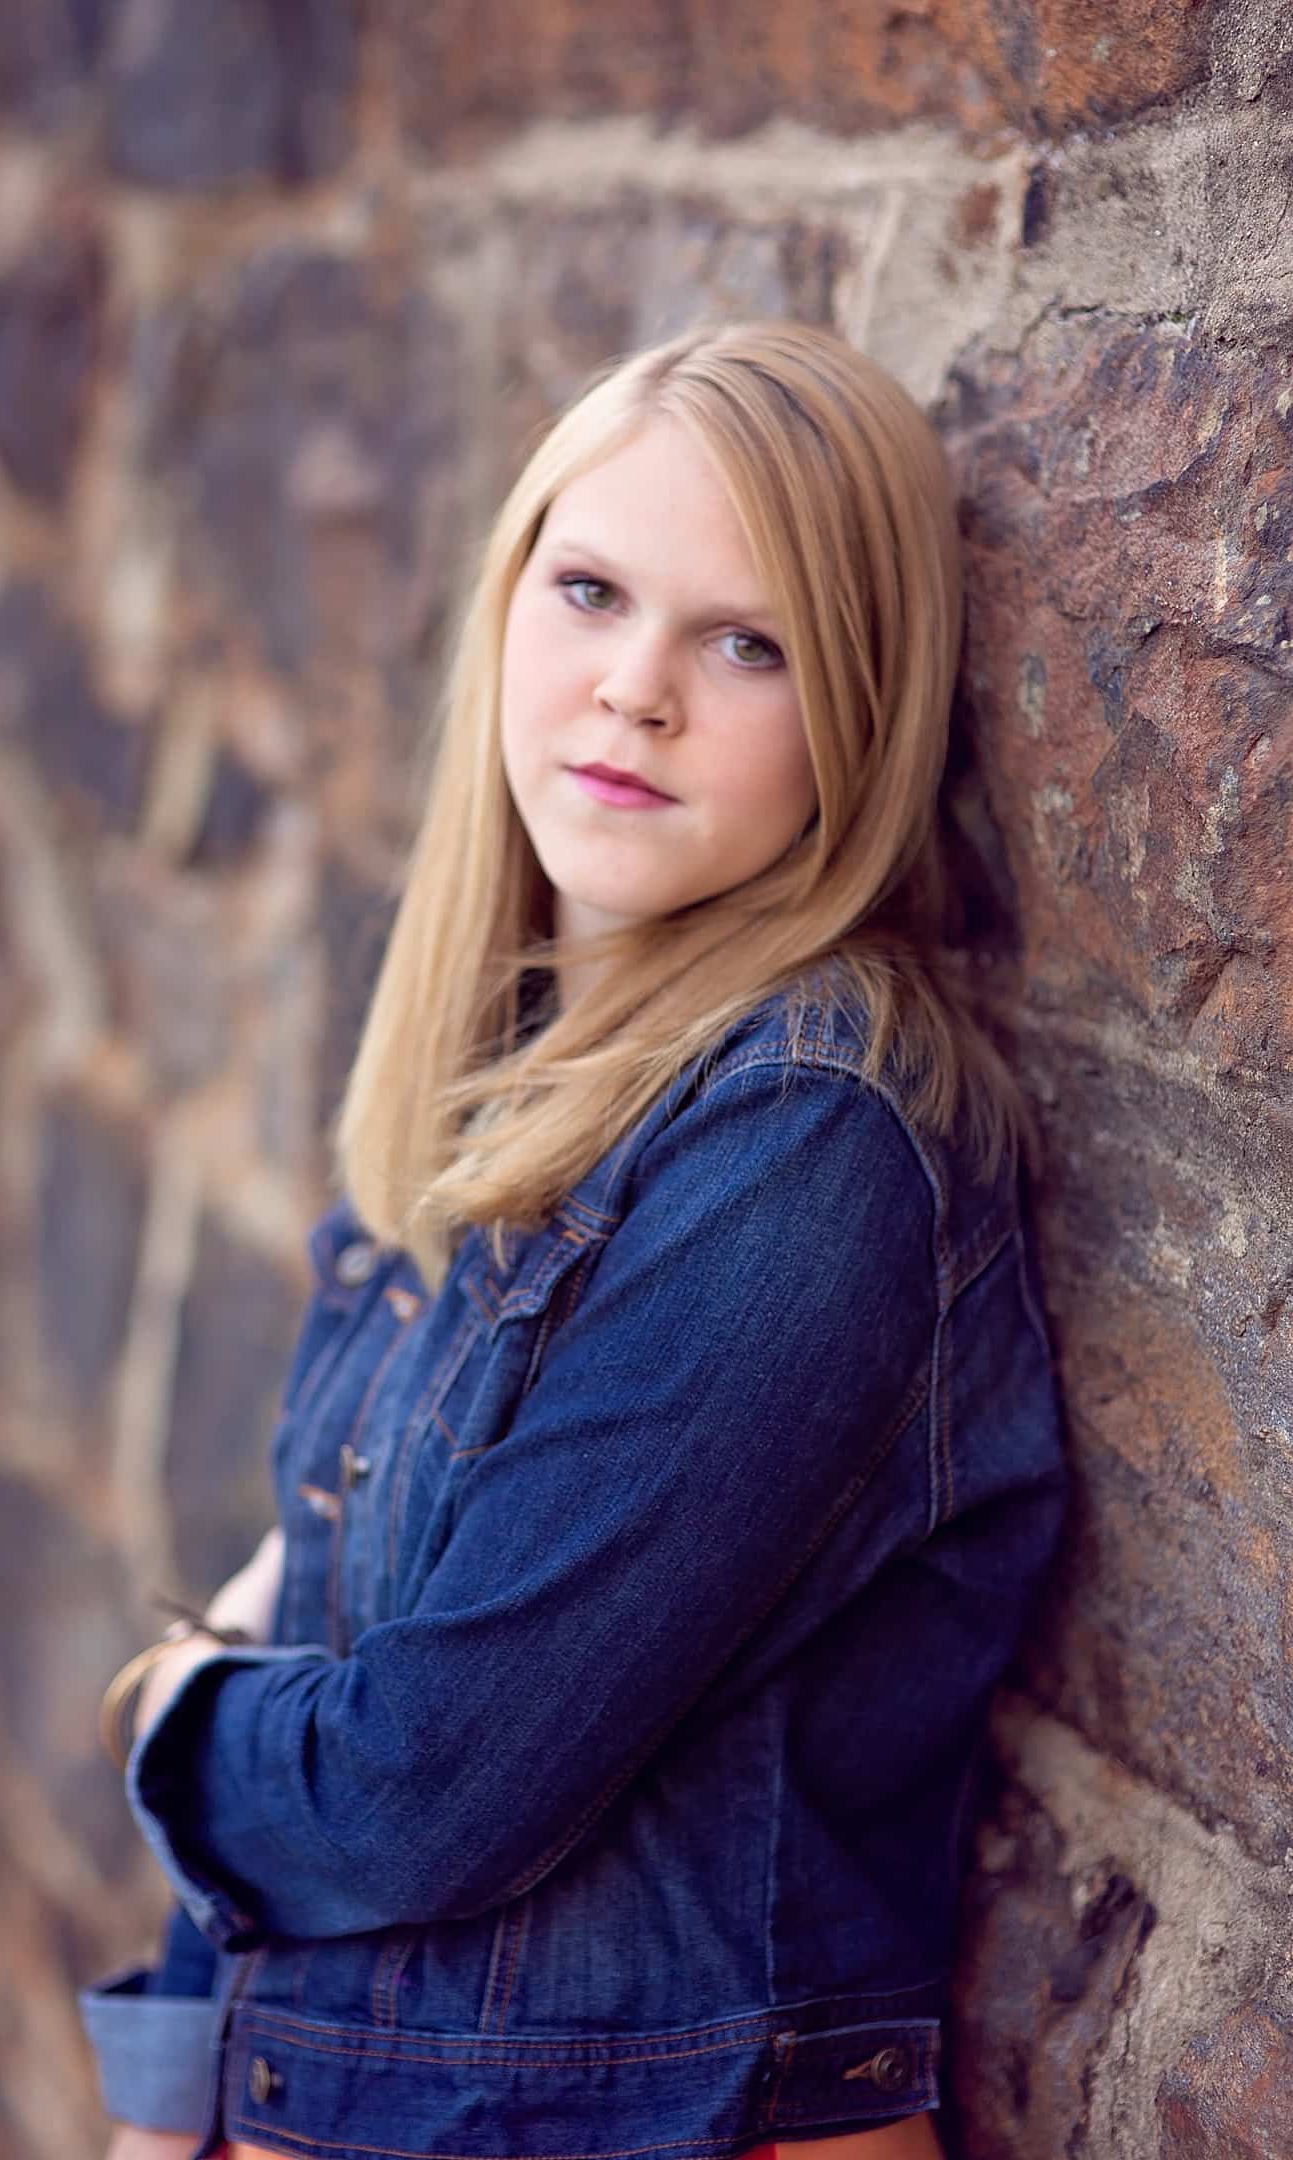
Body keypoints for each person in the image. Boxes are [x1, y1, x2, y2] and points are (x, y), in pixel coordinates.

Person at [82, 323, 1069, 2160]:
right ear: (508, 598)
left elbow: (417, 1785)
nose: (634, 690)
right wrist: (170, 2099)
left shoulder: (810, 1143)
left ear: (863, 706)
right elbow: (318, 1615)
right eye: (593, 590)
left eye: (747, 643)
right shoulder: (505, 1074)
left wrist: (163, 1712)